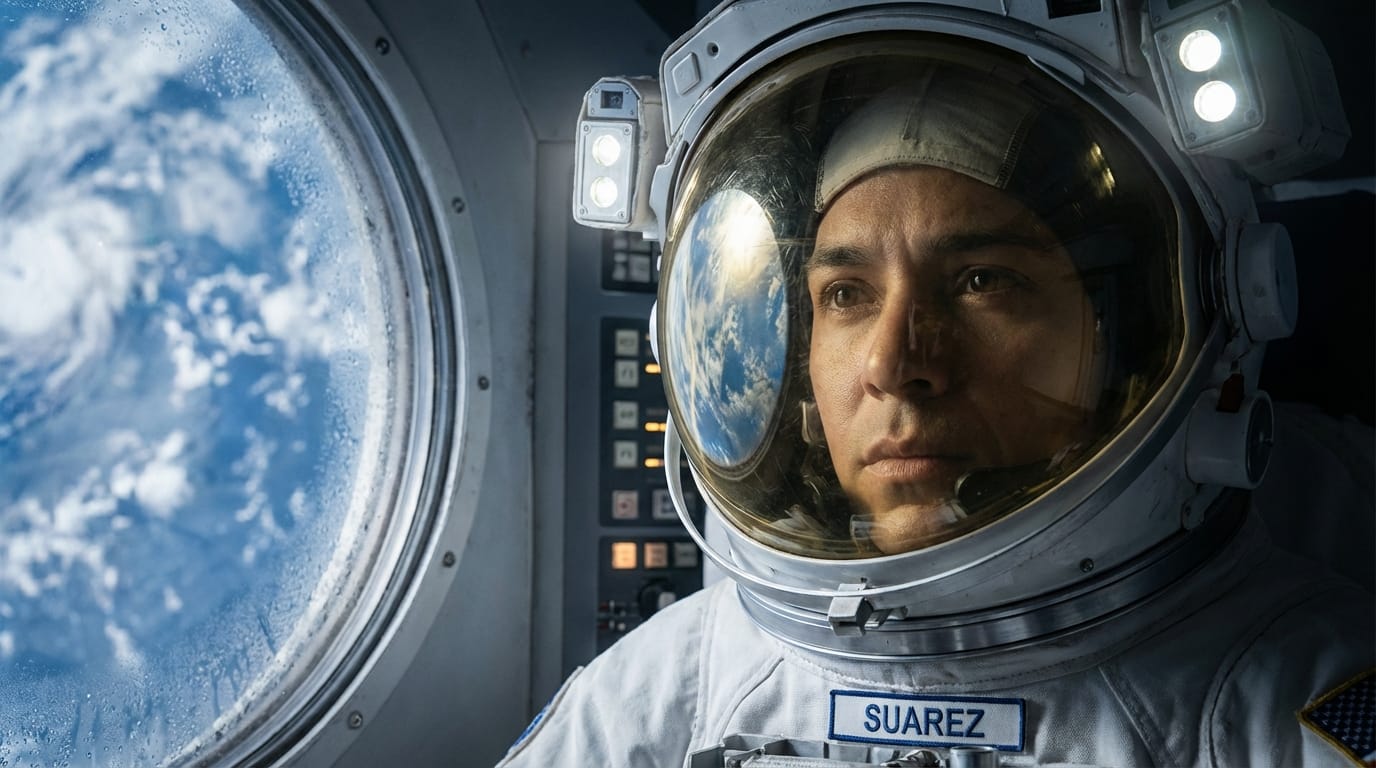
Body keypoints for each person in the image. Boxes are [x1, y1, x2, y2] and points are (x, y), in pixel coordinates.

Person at [501, 4, 1375, 766]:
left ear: (1124, 336)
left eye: (981, 281)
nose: (897, 364)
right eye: (846, 295)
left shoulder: (1290, 690)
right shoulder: (666, 693)